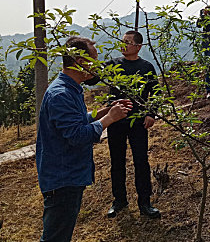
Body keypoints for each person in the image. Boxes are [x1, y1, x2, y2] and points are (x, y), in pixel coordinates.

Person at [36, 36, 132, 242]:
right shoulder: (61, 94)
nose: (97, 65)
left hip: (68, 176)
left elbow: (77, 121)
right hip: (63, 179)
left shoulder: (70, 89)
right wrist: (110, 118)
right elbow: (77, 136)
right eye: (94, 60)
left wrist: (102, 112)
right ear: (80, 62)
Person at [105, 30, 161, 219]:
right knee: (117, 161)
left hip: (138, 121)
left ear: (138, 46)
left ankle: (145, 202)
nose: (124, 44)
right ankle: (119, 200)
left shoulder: (146, 67)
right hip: (116, 120)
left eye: (128, 42)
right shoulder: (113, 65)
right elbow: (94, 78)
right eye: (123, 41)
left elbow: (157, 92)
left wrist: (151, 114)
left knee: (141, 162)